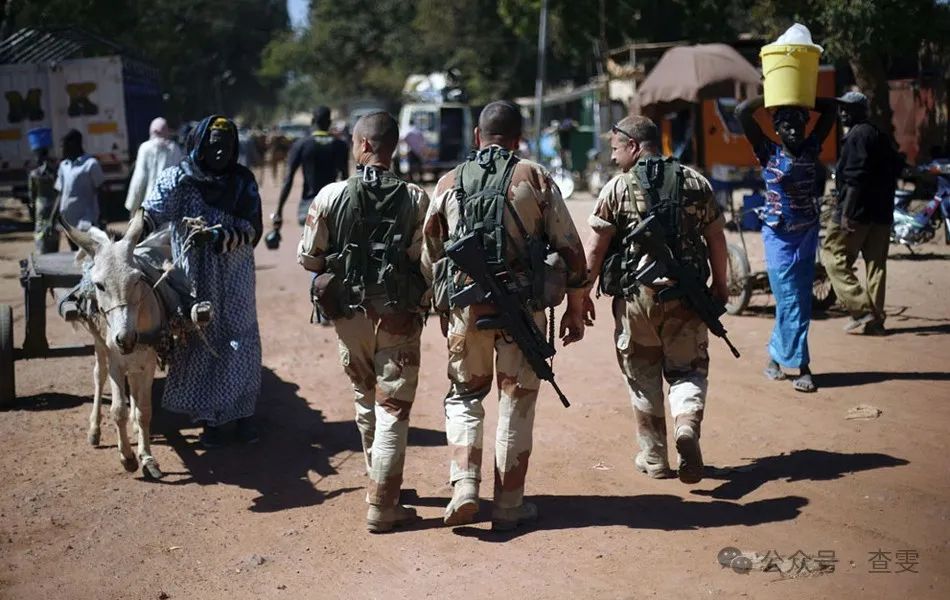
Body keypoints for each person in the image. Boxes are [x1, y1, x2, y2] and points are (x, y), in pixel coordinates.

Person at [421, 100, 588, 531]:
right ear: (519, 139)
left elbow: (430, 255)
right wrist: (575, 306)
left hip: (467, 311)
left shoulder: (449, 181)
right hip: (523, 311)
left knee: (464, 396)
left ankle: (464, 486)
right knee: (516, 400)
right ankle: (509, 504)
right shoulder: (535, 176)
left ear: (478, 136)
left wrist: (443, 308)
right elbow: (570, 248)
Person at [297, 112, 429, 533]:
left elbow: (309, 259)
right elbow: (427, 259)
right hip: (398, 314)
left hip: (348, 315)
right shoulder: (416, 198)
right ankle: (383, 501)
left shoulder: (331, 194)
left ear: (365, 145)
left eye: (355, 141)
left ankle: (379, 482)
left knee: (364, 395)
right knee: (393, 404)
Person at [582, 115, 729, 482]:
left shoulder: (617, 187)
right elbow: (716, 238)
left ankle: (654, 457)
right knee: (688, 370)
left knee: (642, 375)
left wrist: (581, 295)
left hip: (636, 300)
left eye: (615, 148)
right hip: (688, 297)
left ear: (633, 146)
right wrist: (721, 284)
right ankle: (686, 426)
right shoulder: (695, 181)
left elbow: (596, 250)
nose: (613, 156)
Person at [141, 115, 263, 448]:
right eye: (214, 146)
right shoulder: (178, 179)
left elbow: (252, 229)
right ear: (199, 146)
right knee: (200, 341)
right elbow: (151, 212)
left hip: (235, 277)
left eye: (227, 146)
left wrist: (219, 236)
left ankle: (243, 416)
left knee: (240, 341)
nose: (221, 152)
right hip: (194, 280)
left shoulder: (243, 181)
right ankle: (210, 420)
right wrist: (129, 241)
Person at [737, 96, 836, 392]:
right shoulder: (767, 150)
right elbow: (742, 111)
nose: (794, 131)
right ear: (777, 129)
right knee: (791, 300)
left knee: (798, 301)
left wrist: (800, 95)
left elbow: (830, 109)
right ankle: (802, 366)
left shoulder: (811, 147)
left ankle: (775, 360)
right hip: (778, 237)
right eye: (787, 126)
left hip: (806, 233)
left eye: (798, 125)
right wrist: (776, 95)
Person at [821, 91, 900, 336]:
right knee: (876, 266)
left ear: (862, 111)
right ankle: (875, 323)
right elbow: (896, 168)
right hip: (882, 213)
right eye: (842, 108)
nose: (843, 113)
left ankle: (861, 308)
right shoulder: (880, 135)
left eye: (849, 109)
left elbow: (855, 179)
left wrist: (846, 214)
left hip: (856, 213)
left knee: (832, 256)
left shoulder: (857, 136)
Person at [274, 106, 349, 229]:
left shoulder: (301, 144)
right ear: (329, 122)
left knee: (308, 239)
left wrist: (279, 212)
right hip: (332, 205)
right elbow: (345, 179)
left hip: (309, 206)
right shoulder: (340, 145)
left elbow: (288, 179)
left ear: (313, 121)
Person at [55, 129, 104, 246]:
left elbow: (101, 191)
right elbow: (60, 194)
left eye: (63, 146)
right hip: (68, 221)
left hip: (86, 220)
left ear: (73, 144)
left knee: (87, 251)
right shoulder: (63, 165)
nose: (61, 150)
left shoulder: (91, 164)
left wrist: (102, 217)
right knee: (73, 253)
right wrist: (53, 218)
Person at [125, 117, 184, 214]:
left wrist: (133, 206)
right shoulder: (175, 149)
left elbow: (139, 178)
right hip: (172, 205)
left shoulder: (145, 148)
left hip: (150, 205)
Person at [27, 131, 59, 253]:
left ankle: (42, 254)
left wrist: (31, 209)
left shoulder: (34, 174)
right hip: (54, 206)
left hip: (41, 205)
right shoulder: (55, 172)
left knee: (40, 231)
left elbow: (32, 196)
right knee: (53, 231)